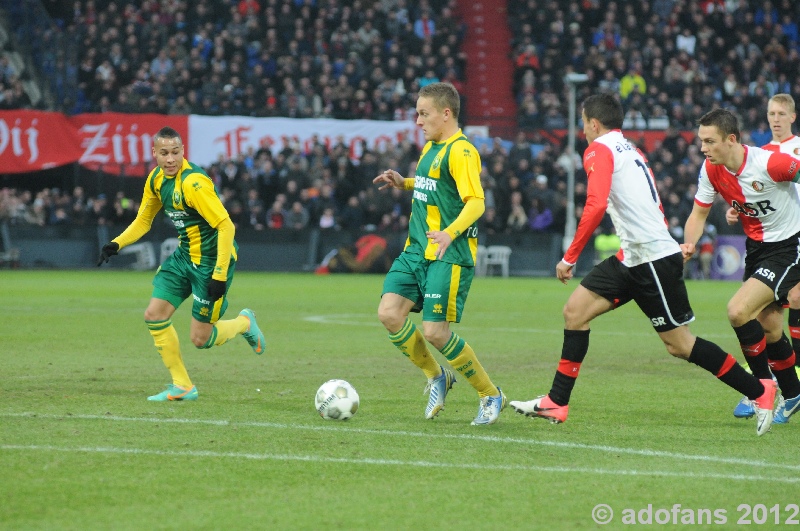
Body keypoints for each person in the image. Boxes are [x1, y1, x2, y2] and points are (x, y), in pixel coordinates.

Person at [509, 95, 777, 436]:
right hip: (634, 256)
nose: (583, 131)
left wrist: (569, 256)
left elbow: (595, 204)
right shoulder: (630, 149)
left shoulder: (598, 149)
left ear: (592, 123)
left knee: (679, 345)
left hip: (650, 258)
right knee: (575, 312)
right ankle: (557, 402)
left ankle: (760, 390)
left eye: (583, 123)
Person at [96, 126, 266, 401]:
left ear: (183, 152)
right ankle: (183, 386)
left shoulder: (193, 183)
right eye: (164, 153)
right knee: (154, 315)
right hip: (185, 256)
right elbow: (143, 220)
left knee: (201, 339)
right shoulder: (155, 180)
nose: (170, 159)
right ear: (155, 154)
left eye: (175, 152)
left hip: (212, 262)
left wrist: (219, 275)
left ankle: (245, 323)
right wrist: (117, 243)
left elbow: (226, 226)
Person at [373, 82, 506, 426]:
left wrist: (449, 232)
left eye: (423, 113)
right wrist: (405, 183)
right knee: (389, 314)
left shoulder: (462, 152)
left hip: (448, 253)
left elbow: (476, 202)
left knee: (435, 332)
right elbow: (433, 183)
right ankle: (437, 376)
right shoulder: (432, 147)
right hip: (416, 249)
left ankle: (490, 393)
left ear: (446, 113)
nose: (417, 121)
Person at [685, 107, 800, 425]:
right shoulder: (711, 170)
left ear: (731, 139)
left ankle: (760, 388)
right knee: (770, 328)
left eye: (709, 141)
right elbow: (698, 214)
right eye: (701, 142)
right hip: (756, 250)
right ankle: (793, 393)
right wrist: (690, 244)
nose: (703, 148)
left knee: (738, 310)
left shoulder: (769, 163)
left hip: (790, 246)